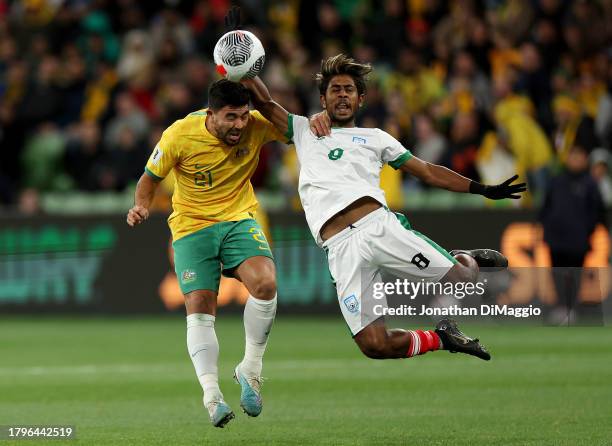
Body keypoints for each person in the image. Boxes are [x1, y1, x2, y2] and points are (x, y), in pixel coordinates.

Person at [241, 54, 526, 362]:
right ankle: (443, 338)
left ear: (360, 99)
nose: (342, 94)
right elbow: (266, 104)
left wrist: (481, 188)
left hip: (378, 227)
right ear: (322, 98)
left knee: (463, 277)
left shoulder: (375, 139)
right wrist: (241, 66)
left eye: (349, 89)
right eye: (334, 89)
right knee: (375, 346)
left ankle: (465, 257)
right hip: (339, 249)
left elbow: (427, 171)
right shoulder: (304, 131)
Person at [126, 79, 287, 428]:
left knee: (265, 284)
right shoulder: (179, 134)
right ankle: (212, 394)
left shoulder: (257, 127)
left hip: (237, 220)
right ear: (210, 114)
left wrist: (261, 90)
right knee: (199, 305)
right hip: (191, 226)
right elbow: (149, 178)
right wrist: (140, 206)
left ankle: (251, 370)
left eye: (244, 116)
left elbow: (295, 130)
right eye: (231, 117)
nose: (240, 125)